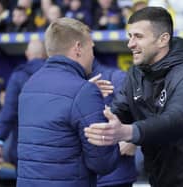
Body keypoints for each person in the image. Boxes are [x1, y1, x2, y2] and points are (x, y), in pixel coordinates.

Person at [85, 7, 183, 187]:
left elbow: (179, 118)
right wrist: (88, 97)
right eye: (130, 36)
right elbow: (117, 113)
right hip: (161, 179)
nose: (130, 44)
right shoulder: (135, 74)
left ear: (163, 39)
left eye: (138, 36)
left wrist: (128, 132)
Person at [16, 18, 119, 187]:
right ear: (78, 48)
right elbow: (102, 163)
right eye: (92, 47)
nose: (93, 55)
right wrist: (117, 136)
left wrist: (85, 94)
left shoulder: (30, 84)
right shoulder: (84, 92)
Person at [0, 39, 46, 166]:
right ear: (46, 54)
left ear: (27, 54)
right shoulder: (57, 74)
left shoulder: (18, 76)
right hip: (53, 149)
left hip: (24, 149)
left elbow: (9, 112)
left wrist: (0, 142)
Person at [89, 60, 137, 187]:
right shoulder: (66, 82)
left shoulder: (115, 77)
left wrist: (132, 140)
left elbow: (143, 110)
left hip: (114, 177)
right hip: (79, 176)